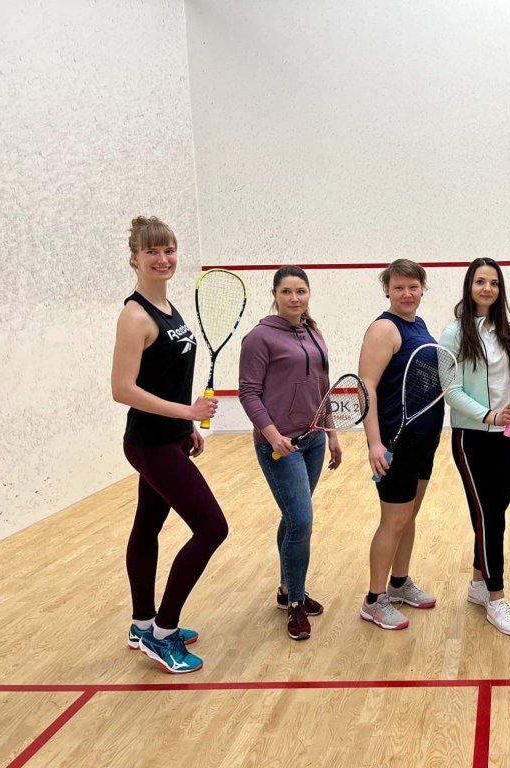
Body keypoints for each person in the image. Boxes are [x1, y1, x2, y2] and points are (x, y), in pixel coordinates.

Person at [111, 216, 228, 674]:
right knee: (212, 528)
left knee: (147, 527)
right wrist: (187, 413)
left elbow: (164, 377)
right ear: (134, 258)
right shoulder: (135, 315)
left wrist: (185, 425)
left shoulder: (167, 307)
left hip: (169, 439)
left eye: (169, 250)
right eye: (152, 252)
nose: (163, 259)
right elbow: (122, 389)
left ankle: (141, 624)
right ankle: (163, 633)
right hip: (149, 443)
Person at [239, 265, 342, 641]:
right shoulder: (259, 338)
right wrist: (272, 436)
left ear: (309, 294)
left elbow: (322, 386)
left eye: (301, 291)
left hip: (313, 440)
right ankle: (296, 601)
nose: (294, 298)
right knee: (301, 519)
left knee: (293, 517)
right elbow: (248, 393)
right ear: (275, 295)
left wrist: (332, 434)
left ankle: (286, 588)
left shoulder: (313, 332)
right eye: (286, 292)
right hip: (280, 446)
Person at [440, 258, 510, 636]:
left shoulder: (507, 334)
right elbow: (451, 391)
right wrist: (490, 416)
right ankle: (496, 596)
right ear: (469, 286)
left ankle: (478, 582)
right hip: (472, 437)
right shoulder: (453, 334)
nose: (487, 288)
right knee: (490, 515)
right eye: (480, 282)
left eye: (493, 283)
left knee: (494, 511)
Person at [358, 259, 443, 630]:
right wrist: (375, 443)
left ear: (422, 288)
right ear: (387, 291)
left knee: (408, 517)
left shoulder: (418, 325)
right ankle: (374, 600)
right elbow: (366, 387)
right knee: (393, 520)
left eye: (413, 287)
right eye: (398, 288)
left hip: (424, 441)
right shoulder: (384, 328)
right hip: (396, 443)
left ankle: (399, 583)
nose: (407, 294)